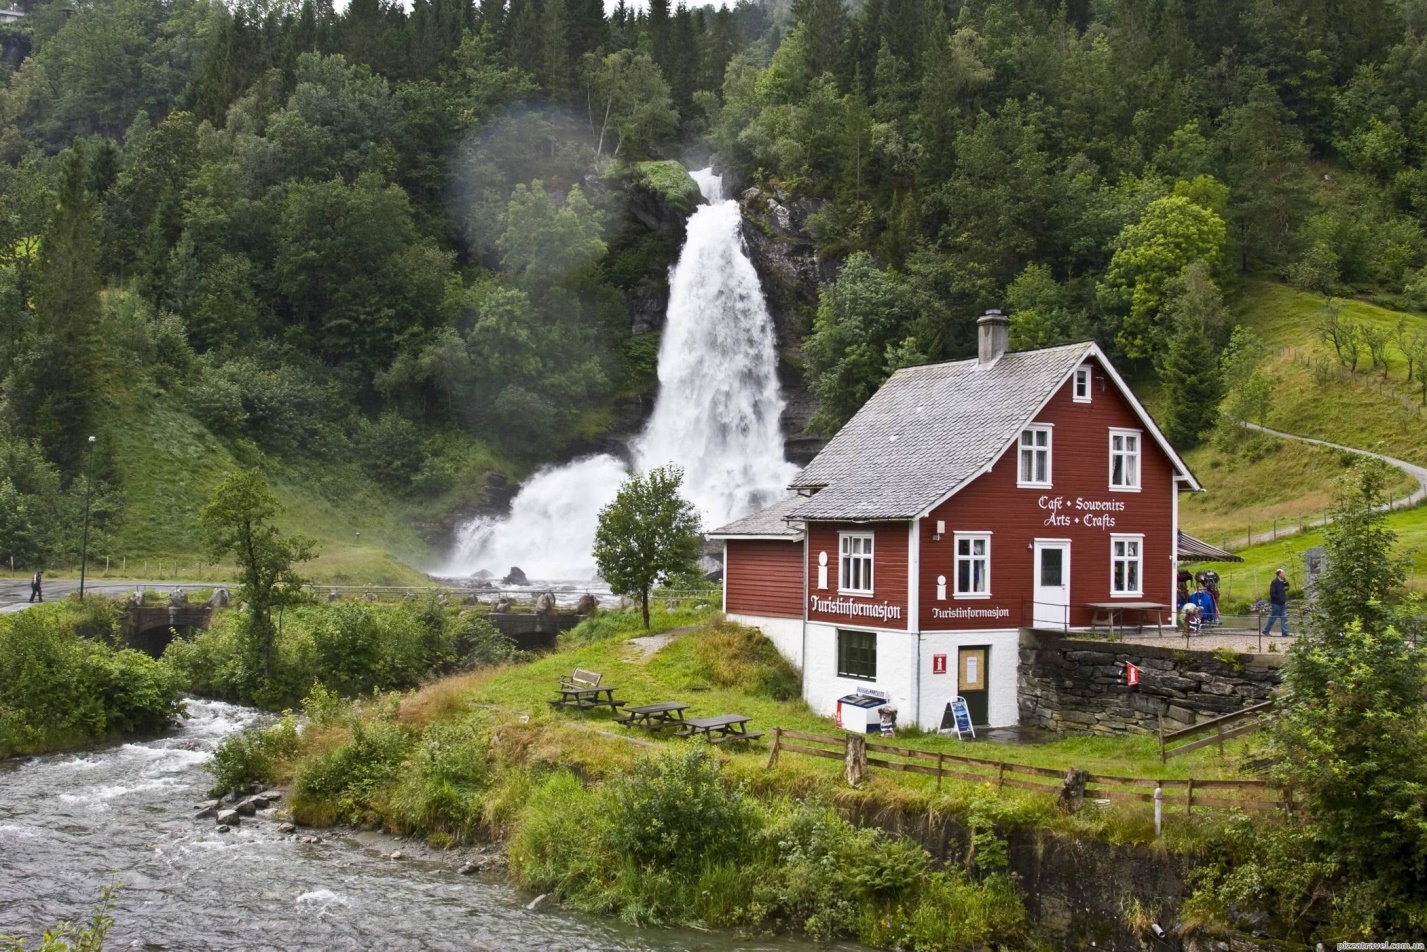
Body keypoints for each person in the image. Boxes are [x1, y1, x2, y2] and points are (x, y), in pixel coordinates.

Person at [1262, 568, 1290, 636]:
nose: (1284, 574)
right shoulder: (1274, 582)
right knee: (1273, 617)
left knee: (1284, 618)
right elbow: (1272, 593)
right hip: (1276, 603)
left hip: (1283, 603)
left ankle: (1285, 632)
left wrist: (1286, 581)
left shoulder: (1283, 582)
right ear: (1279, 574)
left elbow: (1287, 588)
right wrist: (1278, 598)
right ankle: (1266, 630)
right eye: (1283, 573)